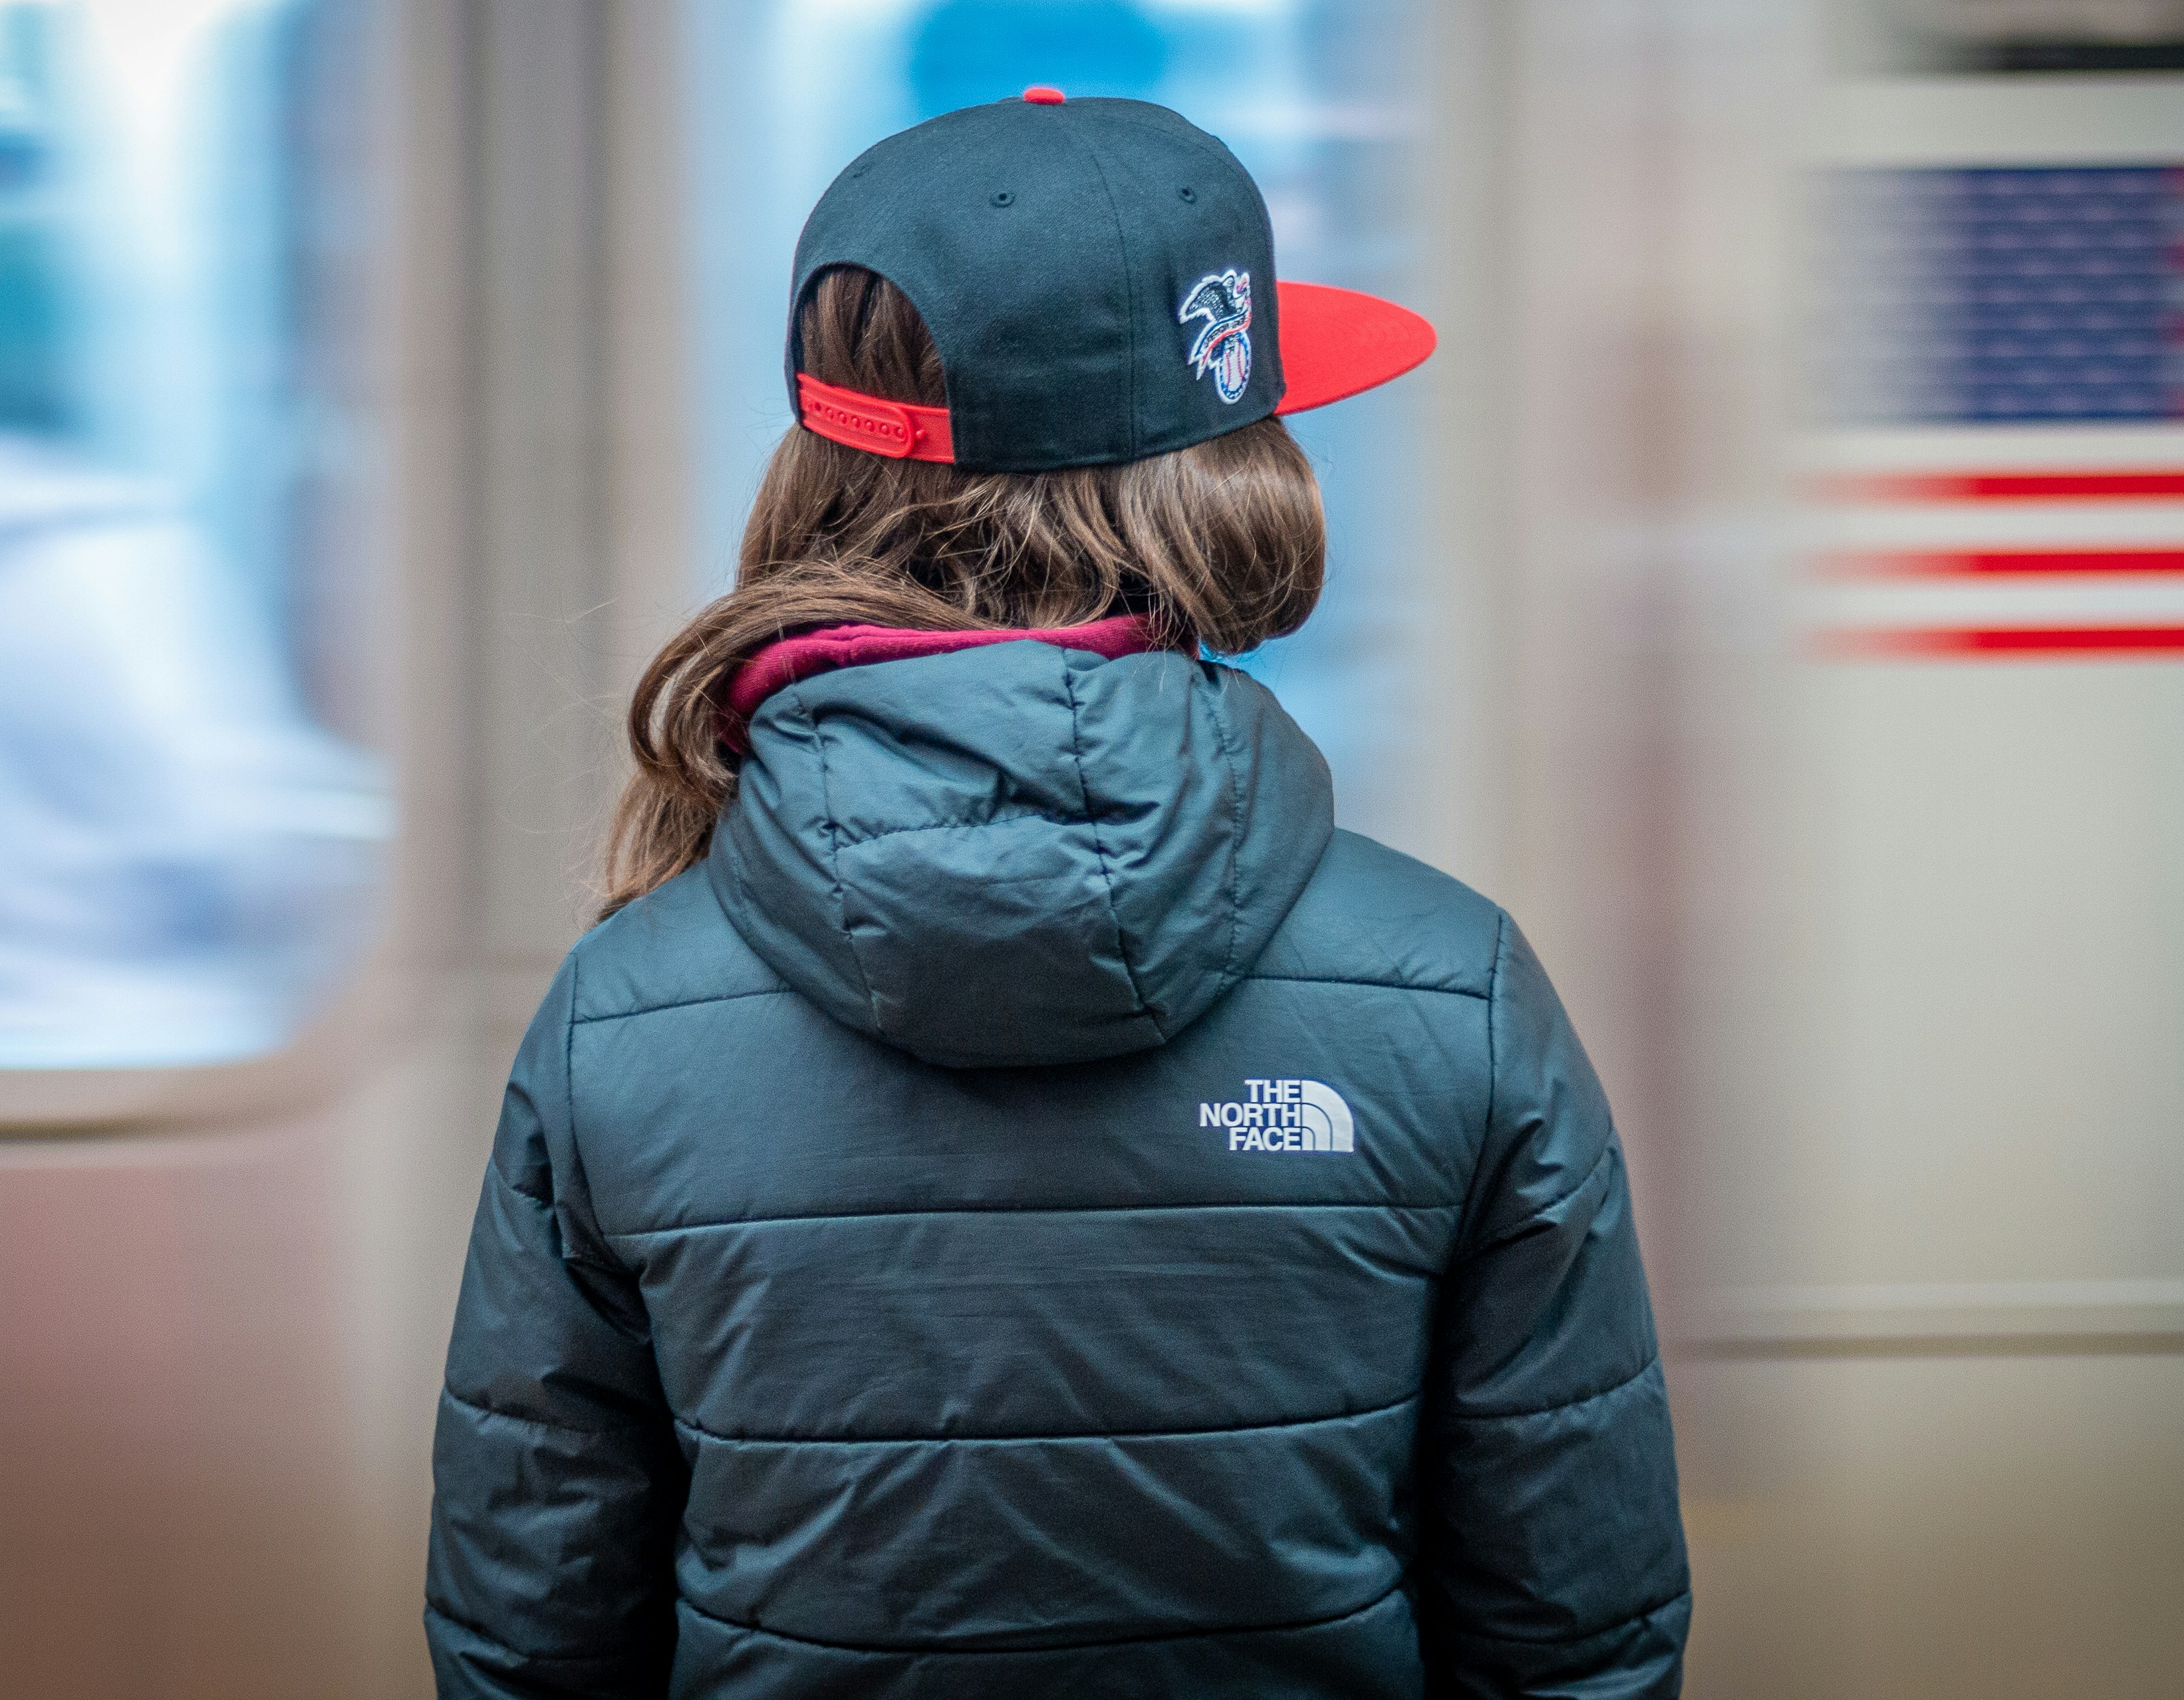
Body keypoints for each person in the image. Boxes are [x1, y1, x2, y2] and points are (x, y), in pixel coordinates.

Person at [425, 92, 1689, 1699]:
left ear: (822, 460)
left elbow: (530, 1637)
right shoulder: (1456, 993)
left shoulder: (620, 1023)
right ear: (1232, 470)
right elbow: (1575, 1637)